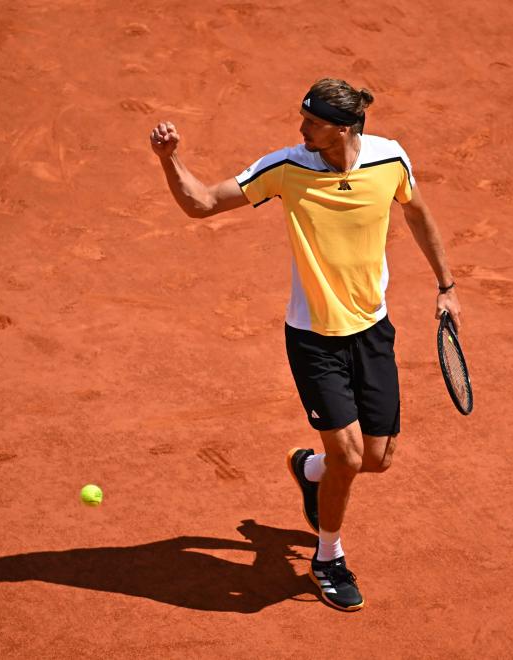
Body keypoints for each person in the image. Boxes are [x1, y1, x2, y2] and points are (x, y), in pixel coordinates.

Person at [150, 78, 462, 612]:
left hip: (372, 329)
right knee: (348, 452)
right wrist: (169, 160)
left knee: (378, 459)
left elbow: (415, 212)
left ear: (344, 128)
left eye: (313, 122)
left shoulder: (390, 160)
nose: (302, 129)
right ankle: (328, 557)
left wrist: (447, 286)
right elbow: (202, 204)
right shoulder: (286, 168)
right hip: (314, 338)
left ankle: (309, 471)